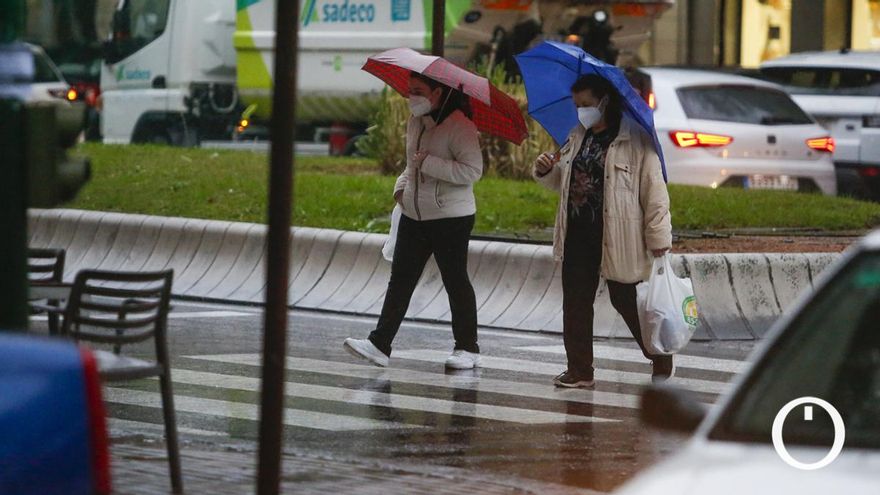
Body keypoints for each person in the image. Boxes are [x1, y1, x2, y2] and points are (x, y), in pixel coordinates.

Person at [532, 74, 673, 388]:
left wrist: (659, 238)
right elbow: (564, 183)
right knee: (576, 302)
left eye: (587, 104)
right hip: (578, 233)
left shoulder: (635, 140)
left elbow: (655, 193)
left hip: (617, 236)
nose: (581, 111)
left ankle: (659, 355)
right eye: (577, 105)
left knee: (626, 300)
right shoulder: (576, 136)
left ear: (605, 101)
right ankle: (580, 370)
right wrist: (546, 170)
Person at [344, 71, 484, 370]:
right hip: (414, 213)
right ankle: (380, 343)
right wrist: (401, 187)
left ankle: (467, 348)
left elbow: (472, 172)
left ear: (438, 93)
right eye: (410, 90)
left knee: (455, 279)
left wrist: (429, 164)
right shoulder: (417, 122)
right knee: (401, 279)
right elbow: (411, 163)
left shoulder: (460, 126)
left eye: (419, 90)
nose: (412, 97)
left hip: (451, 217)